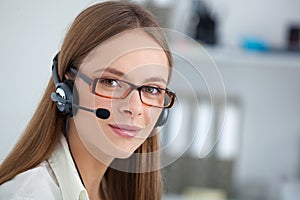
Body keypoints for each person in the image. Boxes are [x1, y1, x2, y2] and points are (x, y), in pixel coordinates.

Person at [0, 1, 176, 200]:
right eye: (111, 82)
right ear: (66, 89)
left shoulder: (112, 191)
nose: (134, 108)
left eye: (151, 89)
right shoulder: (28, 196)